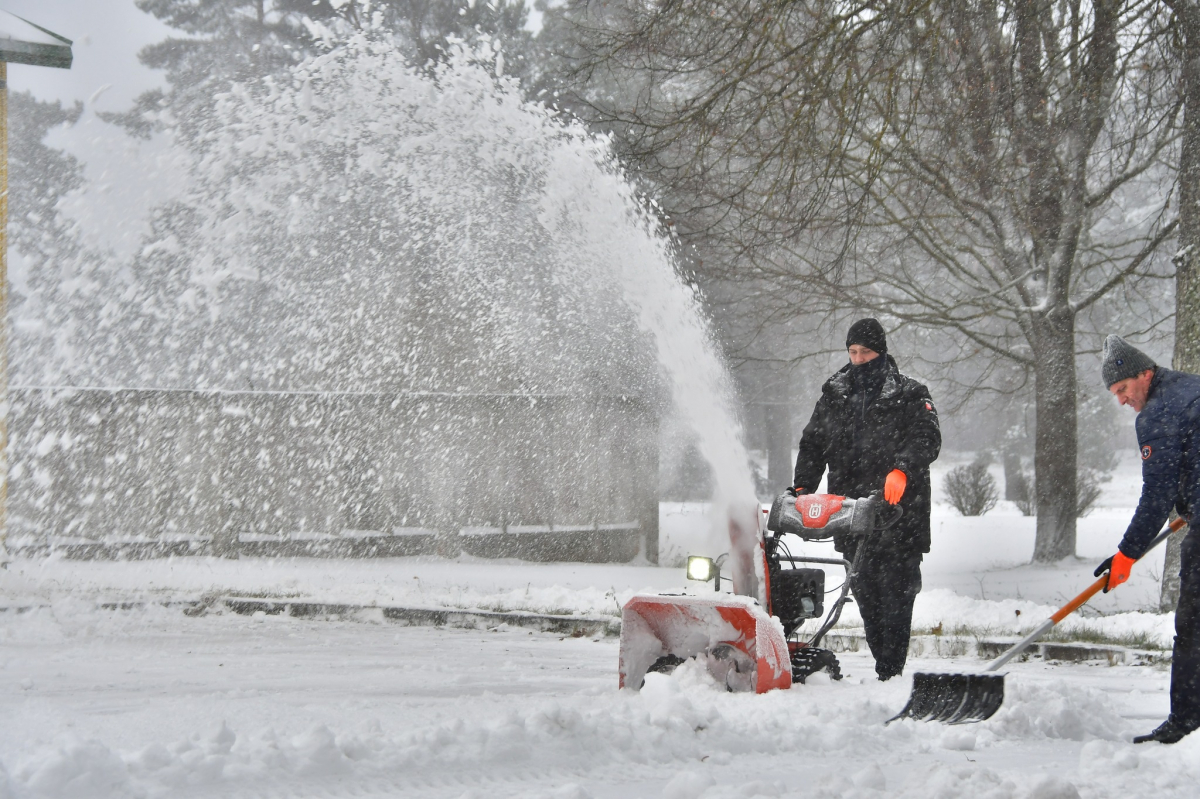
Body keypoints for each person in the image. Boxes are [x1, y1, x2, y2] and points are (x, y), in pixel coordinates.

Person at [791, 318, 941, 680]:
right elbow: (813, 444)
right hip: (851, 512)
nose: (858, 359)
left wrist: (902, 469)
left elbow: (927, 437)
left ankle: (891, 670)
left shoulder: (909, 393)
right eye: (853, 352)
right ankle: (885, 668)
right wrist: (802, 487)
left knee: (897, 595)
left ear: (881, 352)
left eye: (866, 352)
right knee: (866, 594)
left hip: (899, 514)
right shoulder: (835, 394)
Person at [1097, 334, 1200, 744]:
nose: (1121, 400)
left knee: (1192, 627)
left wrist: (1126, 554)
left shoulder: (1159, 412)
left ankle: (1186, 719)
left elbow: (1155, 494)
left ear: (1145, 374)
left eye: (1123, 389)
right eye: (1114, 393)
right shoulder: (1192, 387)